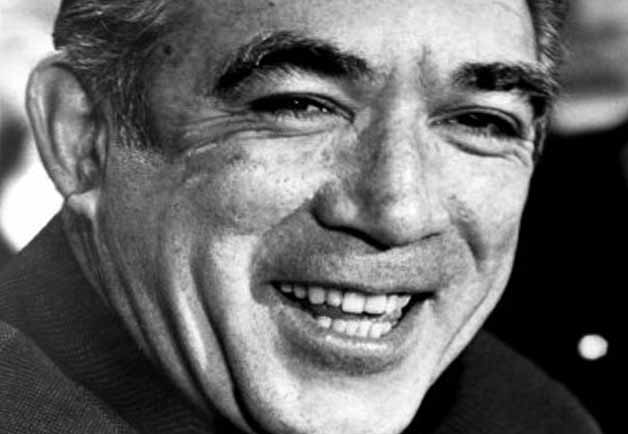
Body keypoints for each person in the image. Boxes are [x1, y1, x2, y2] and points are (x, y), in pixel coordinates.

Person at [0, 0, 602, 433]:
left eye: (480, 121)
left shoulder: (522, 416)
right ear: (82, 135)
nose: (400, 212)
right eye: (299, 105)